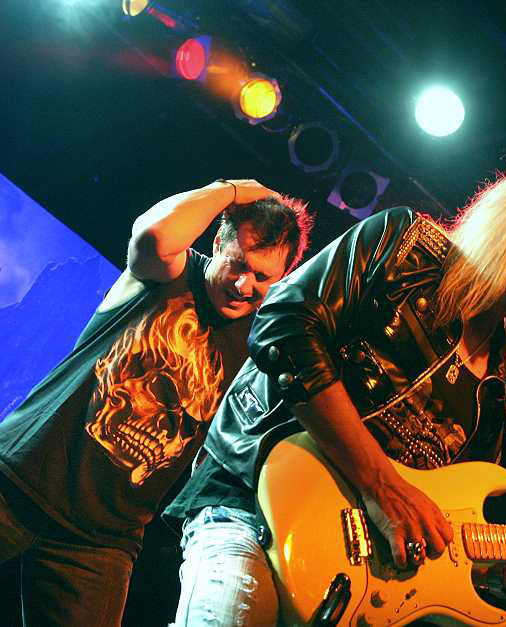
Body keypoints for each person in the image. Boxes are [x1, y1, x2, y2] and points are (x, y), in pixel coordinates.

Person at [165, 149, 506, 625]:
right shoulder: (404, 247)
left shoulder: (500, 396)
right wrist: (381, 485)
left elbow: (443, 528)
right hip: (251, 507)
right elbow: (284, 327)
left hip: (355, 587)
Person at [0, 179, 312, 626]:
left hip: (99, 543)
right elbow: (153, 234)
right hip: (18, 480)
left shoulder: (256, 346)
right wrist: (231, 190)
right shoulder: (167, 272)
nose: (244, 284)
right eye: (237, 264)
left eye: (263, 277)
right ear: (217, 243)